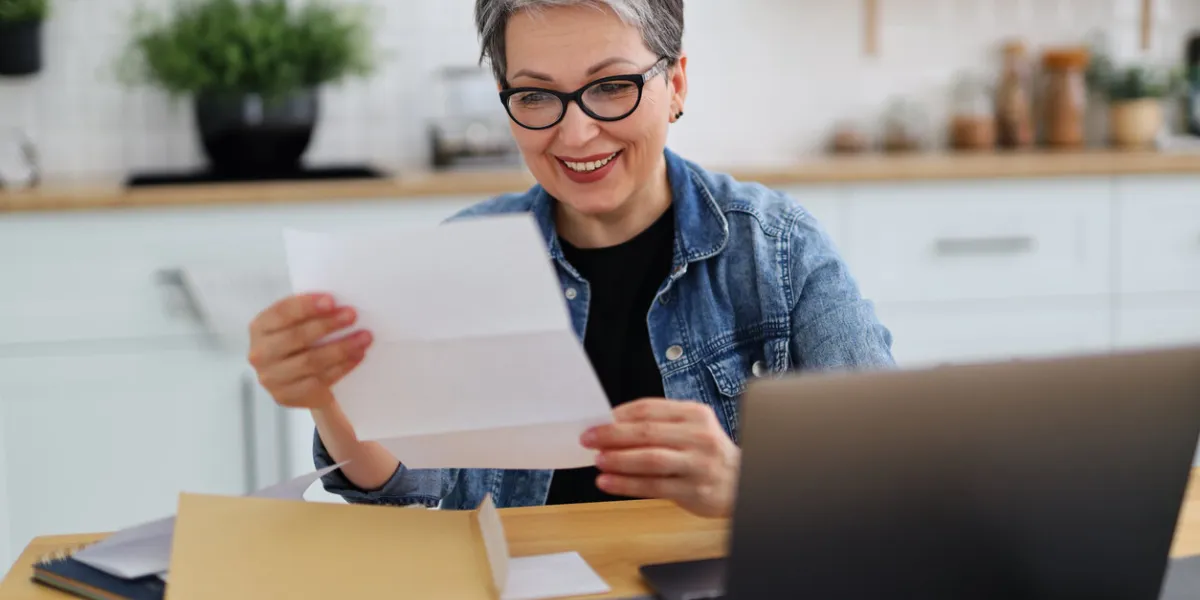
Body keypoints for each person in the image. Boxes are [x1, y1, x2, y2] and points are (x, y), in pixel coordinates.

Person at [246, 0, 894, 519]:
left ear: (675, 84)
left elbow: (892, 479)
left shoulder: (775, 249)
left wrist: (748, 487)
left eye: (611, 87)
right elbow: (405, 485)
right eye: (535, 96)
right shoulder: (466, 256)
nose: (576, 133)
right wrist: (330, 397)